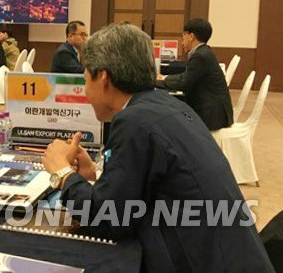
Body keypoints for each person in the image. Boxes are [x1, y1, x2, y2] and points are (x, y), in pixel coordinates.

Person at [43, 23, 273, 272]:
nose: (85, 90)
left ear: (103, 77)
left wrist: (63, 173)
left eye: (86, 77)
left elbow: (107, 220)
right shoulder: (165, 105)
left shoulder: (134, 122)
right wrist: (94, 179)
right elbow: (134, 198)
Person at [156, 18, 233, 131]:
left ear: (191, 36)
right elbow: (187, 77)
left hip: (211, 115)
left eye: (183, 36)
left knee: (167, 118)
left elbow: (183, 83)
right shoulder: (203, 52)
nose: (182, 41)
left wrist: (155, 82)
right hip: (213, 109)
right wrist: (164, 78)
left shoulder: (200, 56)